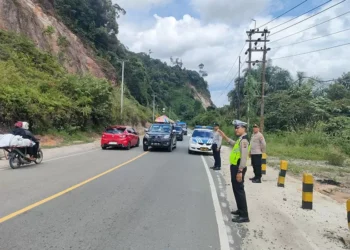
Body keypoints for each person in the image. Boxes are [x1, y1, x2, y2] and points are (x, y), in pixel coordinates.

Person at [218, 120, 250, 223]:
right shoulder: (240, 140)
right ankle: (240, 211)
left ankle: (244, 215)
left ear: (243, 128)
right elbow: (232, 143)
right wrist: (224, 136)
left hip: (238, 168)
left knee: (239, 190)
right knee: (236, 190)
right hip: (235, 167)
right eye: (235, 127)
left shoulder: (244, 140)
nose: (236, 129)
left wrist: (240, 171)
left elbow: (244, 158)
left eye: (238, 127)